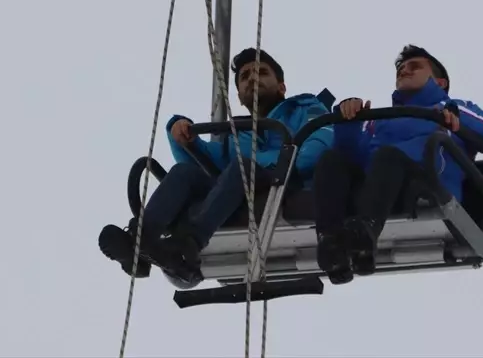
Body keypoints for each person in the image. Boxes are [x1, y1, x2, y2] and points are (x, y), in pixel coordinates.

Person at [98, 47, 334, 285]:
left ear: (281, 86)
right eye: (244, 77)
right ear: (240, 96)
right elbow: (206, 165)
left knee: (242, 167)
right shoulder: (236, 134)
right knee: (184, 173)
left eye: (261, 72)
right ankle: (140, 243)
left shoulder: (306, 108)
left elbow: (317, 146)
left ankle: (189, 245)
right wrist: (180, 132)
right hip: (238, 188)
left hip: (289, 184)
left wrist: (270, 164)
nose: (252, 78)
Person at [310, 44, 483, 284]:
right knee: (331, 160)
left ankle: (366, 232)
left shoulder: (453, 110)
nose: (404, 72)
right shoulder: (380, 121)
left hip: (426, 183)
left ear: (440, 82)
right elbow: (352, 157)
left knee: (389, 156)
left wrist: (457, 116)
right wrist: (349, 122)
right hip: (380, 188)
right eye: (400, 69)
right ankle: (330, 242)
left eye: (414, 67)